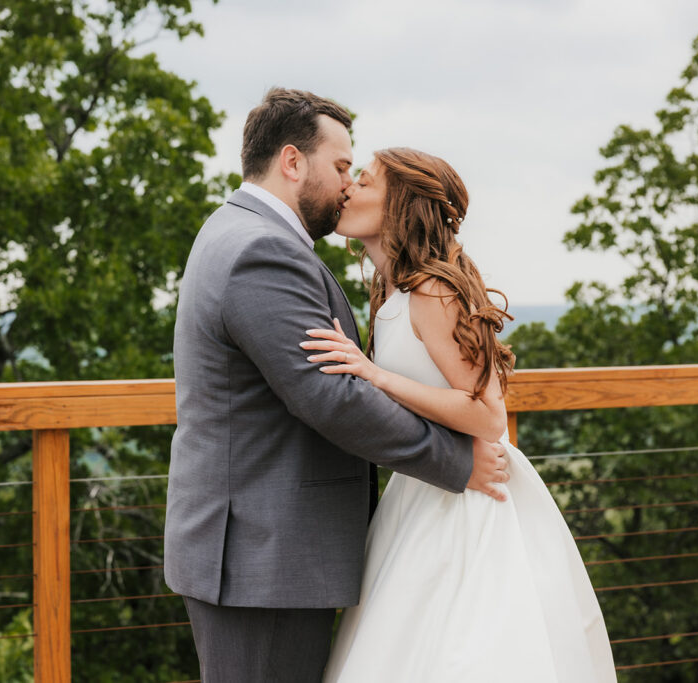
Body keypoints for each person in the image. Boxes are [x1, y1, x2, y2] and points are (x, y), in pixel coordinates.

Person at [163, 88, 510, 683]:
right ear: (293, 162)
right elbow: (330, 398)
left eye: (358, 174)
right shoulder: (262, 251)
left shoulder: (236, 230)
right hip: (262, 559)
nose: (347, 184)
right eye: (343, 167)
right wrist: (457, 462)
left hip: (268, 552)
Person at [301, 147, 617, 682]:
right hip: (421, 490)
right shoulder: (391, 293)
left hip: (469, 500)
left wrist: (374, 376)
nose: (349, 188)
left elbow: (488, 414)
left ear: (400, 204)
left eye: (367, 180)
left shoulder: (433, 290)